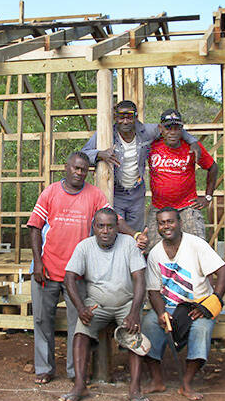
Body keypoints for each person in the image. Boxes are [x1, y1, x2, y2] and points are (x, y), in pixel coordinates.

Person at [27, 151, 145, 385]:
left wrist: (134, 234)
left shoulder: (94, 195)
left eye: (84, 170)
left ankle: (74, 372)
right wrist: (38, 262)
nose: (79, 173)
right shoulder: (50, 192)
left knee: (78, 324)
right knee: (42, 321)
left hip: (77, 275)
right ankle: (44, 368)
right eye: (76, 168)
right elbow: (34, 227)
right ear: (66, 167)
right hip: (47, 270)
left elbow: (113, 219)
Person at [59, 208, 150, 401]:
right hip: (96, 304)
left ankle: (135, 388)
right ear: (94, 227)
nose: (105, 231)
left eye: (110, 226)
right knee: (80, 332)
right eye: (101, 226)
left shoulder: (128, 244)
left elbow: (140, 279)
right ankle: (80, 385)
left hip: (126, 302)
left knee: (134, 333)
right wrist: (81, 307)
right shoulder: (85, 247)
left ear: (117, 228)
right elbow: (69, 278)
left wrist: (135, 311)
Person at [141, 207, 225, 401]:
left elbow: (224, 272)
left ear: (180, 223)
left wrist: (212, 303)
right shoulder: (156, 253)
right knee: (149, 325)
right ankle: (157, 380)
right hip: (170, 306)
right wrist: (160, 313)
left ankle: (186, 384)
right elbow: (153, 291)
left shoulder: (196, 244)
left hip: (197, 305)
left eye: (170, 221)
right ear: (157, 226)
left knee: (201, 329)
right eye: (162, 223)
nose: (166, 226)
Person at [81, 100, 201, 232]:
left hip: (136, 193)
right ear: (116, 118)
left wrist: (192, 141)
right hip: (116, 192)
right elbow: (82, 155)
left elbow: (171, 128)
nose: (125, 121)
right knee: (112, 229)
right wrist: (99, 154)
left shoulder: (146, 132)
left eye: (129, 117)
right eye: (121, 117)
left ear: (136, 117)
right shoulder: (106, 134)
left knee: (135, 233)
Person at [146, 109, 218, 248]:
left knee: (198, 248)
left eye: (176, 128)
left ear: (181, 129)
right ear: (161, 128)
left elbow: (213, 167)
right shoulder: (152, 145)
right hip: (159, 207)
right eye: (168, 128)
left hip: (187, 207)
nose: (172, 132)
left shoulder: (192, 147)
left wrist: (208, 197)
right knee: (152, 250)